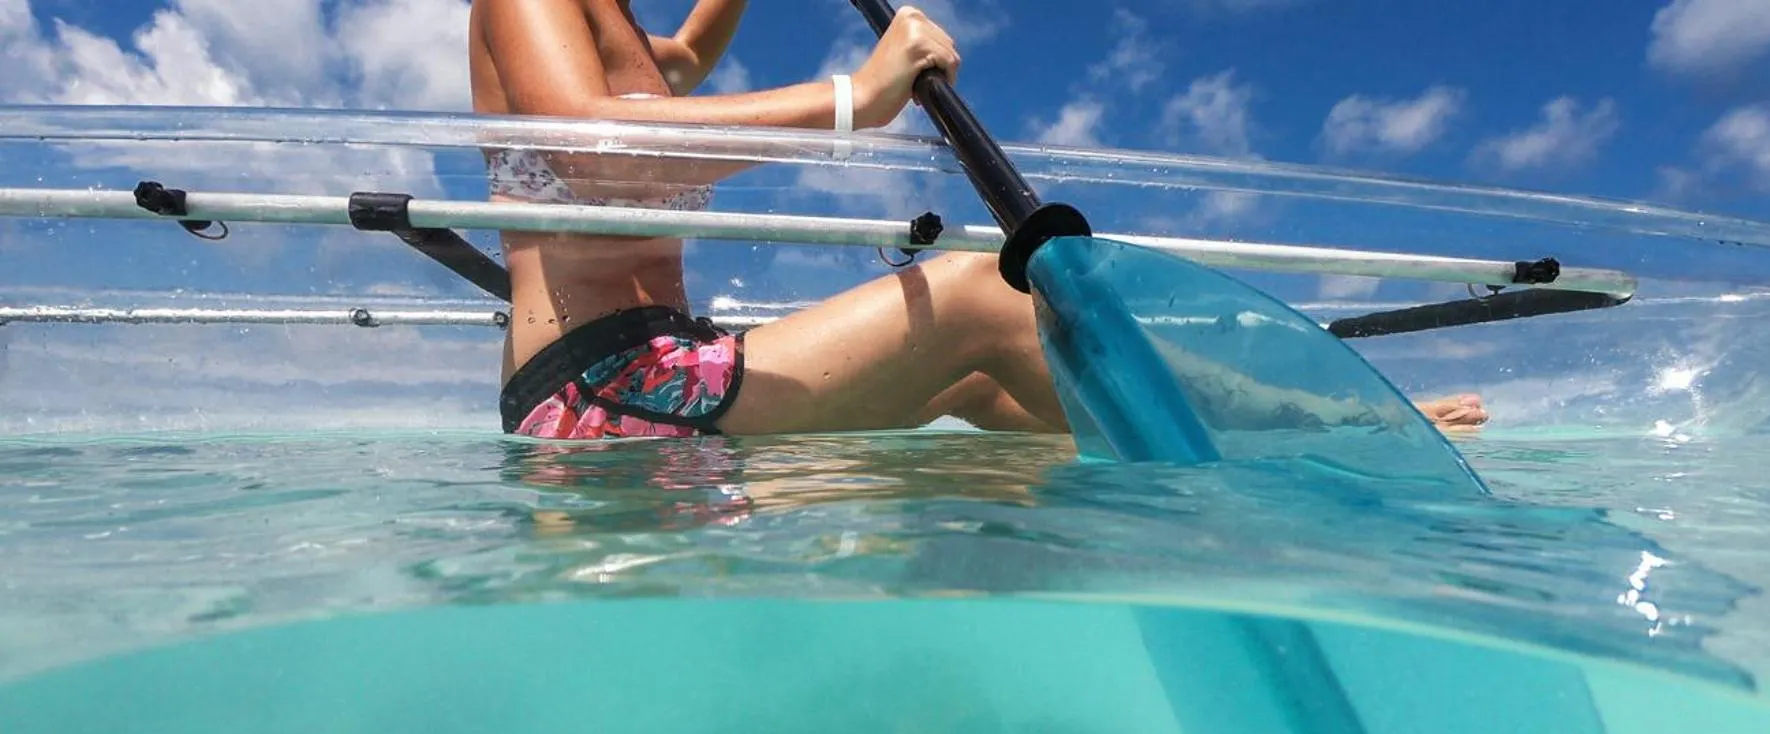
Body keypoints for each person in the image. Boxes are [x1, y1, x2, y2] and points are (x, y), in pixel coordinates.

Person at [470, 0, 1488, 441]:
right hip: (597, 392)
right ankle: (1309, 420)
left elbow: (688, 50)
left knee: (982, 390)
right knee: (971, 295)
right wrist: (853, 101)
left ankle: (1228, 472)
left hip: (671, 371)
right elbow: (596, 148)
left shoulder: (629, 39)